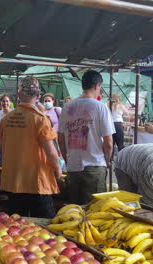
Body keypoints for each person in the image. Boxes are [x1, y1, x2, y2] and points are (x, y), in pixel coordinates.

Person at [0, 76, 61, 218]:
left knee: (17, 228)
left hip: (13, 182)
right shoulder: (40, 119)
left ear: (19, 95)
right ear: (38, 96)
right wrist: (57, 169)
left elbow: (0, 149)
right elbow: (50, 152)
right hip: (36, 182)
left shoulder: (6, 119)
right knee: (43, 227)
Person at [58, 70, 115, 205]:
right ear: (97, 86)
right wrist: (107, 161)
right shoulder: (100, 107)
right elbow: (108, 143)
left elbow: (60, 138)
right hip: (94, 167)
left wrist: (67, 159)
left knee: (73, 212)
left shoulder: (67, 106)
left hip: (73, 168)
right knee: (92, 212)